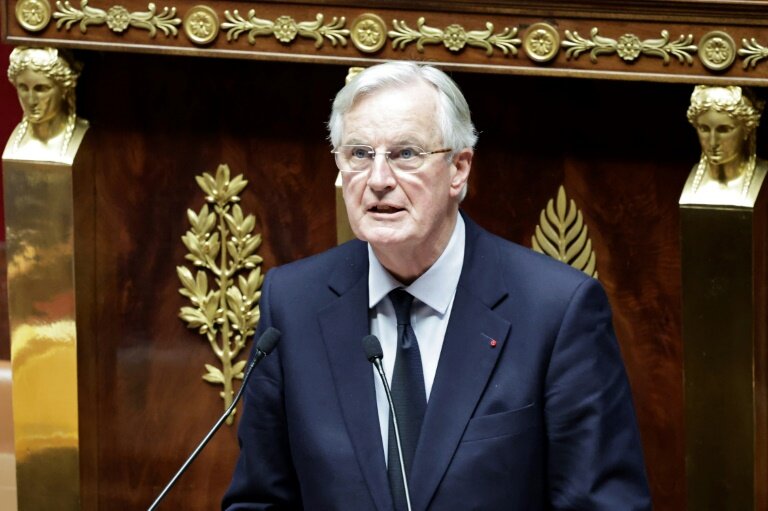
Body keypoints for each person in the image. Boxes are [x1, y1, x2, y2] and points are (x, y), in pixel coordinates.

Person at [223, 61, 651, 510]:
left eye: (406, 153)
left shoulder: (557, 311)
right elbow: (258, 500)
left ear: (458, 169)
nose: (379, 180)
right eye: (359, 154)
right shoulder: (292, 304)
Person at [682, 85, 767, 206]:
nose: (713, 142)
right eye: (704, 129)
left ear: (747, 130)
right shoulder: (687, 179)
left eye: (724, 130)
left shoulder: (763, 175)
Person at [5, 46, 88, 162]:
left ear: (64, 89)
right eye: (23, 88)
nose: (31, 101)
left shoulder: (82, 135)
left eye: (41, 89)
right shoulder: (15, 143)